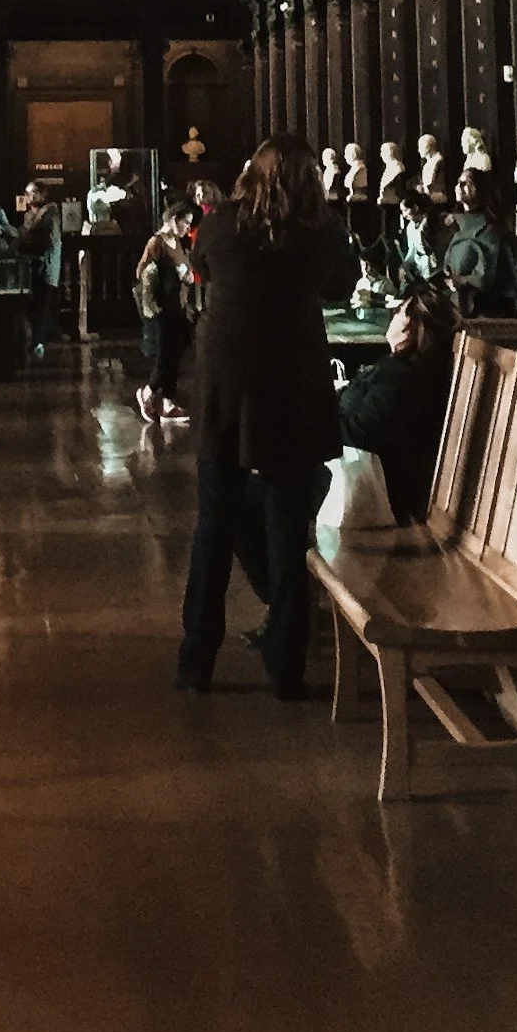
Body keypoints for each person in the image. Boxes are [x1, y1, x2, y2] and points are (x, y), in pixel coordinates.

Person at [175, 132, 341, 701]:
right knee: (289, 531)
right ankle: (285, 666)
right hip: (293, 379)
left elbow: (199, 266)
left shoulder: (222, 224)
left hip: (229, 383)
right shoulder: (321, 231)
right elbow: (339, 284)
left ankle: (196, 660)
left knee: (213, 525)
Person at [334, 288, 456, 522]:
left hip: (367, 491)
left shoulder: (399, 376)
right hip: (362, 476)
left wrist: (311, 421)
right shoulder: (410, 371)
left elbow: (359, 433)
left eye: (399, 311)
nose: (393, 314)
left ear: (412, 325)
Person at [134, 211, 195, 420]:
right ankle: (148, 392)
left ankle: (168, 401)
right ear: (173, 220)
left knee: (176, 353)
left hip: (177, 304)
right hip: (162, 306)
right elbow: (141, 269)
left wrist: (187, 276)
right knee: (165, 354)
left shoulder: (176, 242)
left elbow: (187, 271)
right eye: (185, 222)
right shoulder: (157, 242)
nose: (188, 227)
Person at [441, 166, 517, 315]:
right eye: (459, 182)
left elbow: (486, 276)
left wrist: (464, 281)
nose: (460, 186)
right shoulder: (454, 225)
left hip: (488, 310)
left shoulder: (492, 227)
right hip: (460, 306)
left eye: (467, 182)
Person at [16, 180, 63, 356]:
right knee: (33, 306)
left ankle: (39, 341)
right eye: (28, 193)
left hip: (44, 266)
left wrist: (24, 238)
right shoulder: (30, 215)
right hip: (31, 266)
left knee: (41, 306)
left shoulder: (49, 214)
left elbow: (45, 241)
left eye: (34, 192)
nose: (30, 196)